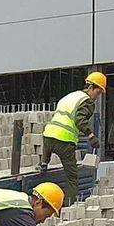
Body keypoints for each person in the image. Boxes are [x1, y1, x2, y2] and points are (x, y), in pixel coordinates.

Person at [38, 71, 106, 206]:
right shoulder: (87, 102)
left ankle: (44, 163)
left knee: (47, 155)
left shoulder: (71, 96)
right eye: (97, 93)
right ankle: (69, 207)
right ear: (91, 87)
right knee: (72, 177)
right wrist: (91, 136)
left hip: (48, 136)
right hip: (64, 141)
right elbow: (79, 120)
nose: (96, 97)